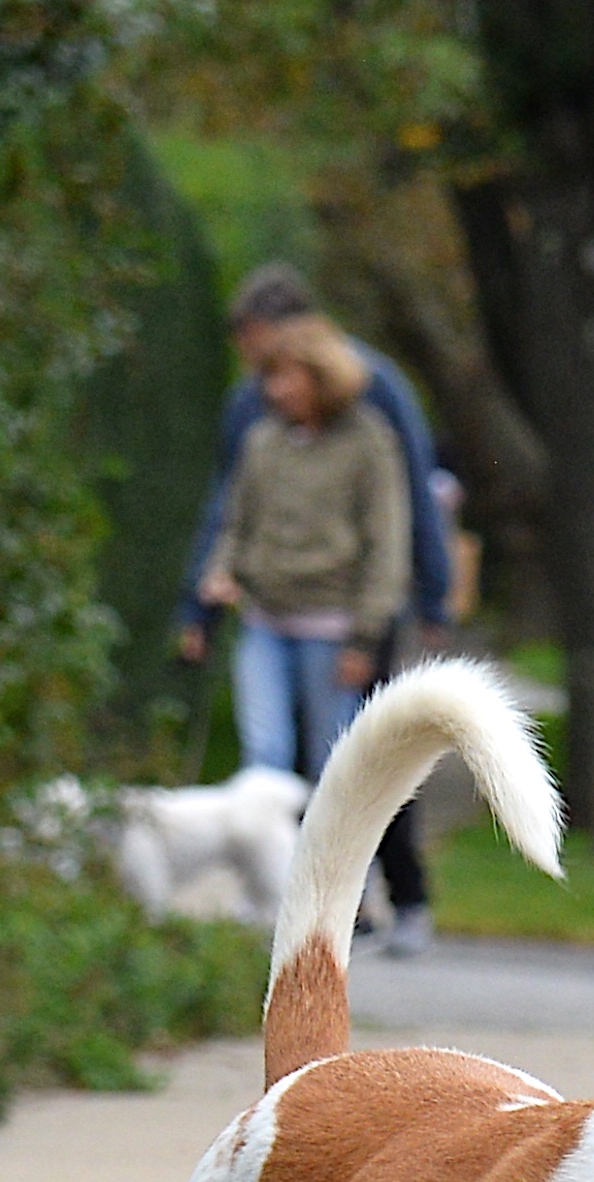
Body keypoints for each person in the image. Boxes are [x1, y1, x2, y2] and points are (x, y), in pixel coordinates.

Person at [179, 266, 450, 956]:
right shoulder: (258, 422)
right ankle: (287, 901)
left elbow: (404, 511)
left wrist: (424, 598)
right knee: (273, 760)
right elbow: (232, 511)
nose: (266, 382)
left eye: (272, 361)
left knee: (356, 761)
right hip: (273, 612)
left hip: (349, 615)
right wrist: (204, 598)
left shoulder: (374, 404)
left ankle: (387, 896)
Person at [197, 317, 410, 796]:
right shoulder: (262, 441)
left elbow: (386, 543)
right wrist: (221, 572)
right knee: (264, 755)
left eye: (289, 376)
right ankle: (269, 868)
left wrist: (366, 637)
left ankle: (346, 869)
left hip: (333, 629)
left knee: (333, 763)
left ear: (322, 376)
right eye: (272, 377)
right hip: (264, 621)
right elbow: (236, 522)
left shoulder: (368, 442)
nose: (277, 389)